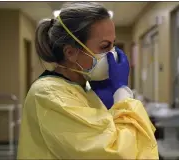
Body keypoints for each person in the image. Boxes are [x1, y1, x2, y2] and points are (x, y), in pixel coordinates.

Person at [17, 2, 159, 159]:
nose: (113, 54)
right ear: (70, 53)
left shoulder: (82, 88)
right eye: (105, 47)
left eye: (113, 45)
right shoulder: (49, 95)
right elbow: (118, 153)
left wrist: (109, 105)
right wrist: (122, 92)